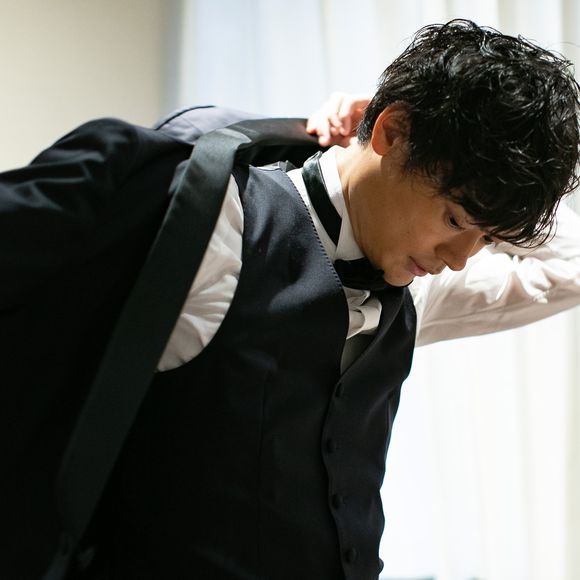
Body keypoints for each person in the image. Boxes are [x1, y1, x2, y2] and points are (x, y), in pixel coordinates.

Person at [2, 19, 580, 580]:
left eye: (488, 239)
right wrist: (346, 127)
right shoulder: (216, 222)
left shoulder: (415, 285)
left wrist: (508, 195)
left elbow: (570, 268)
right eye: (454, 219)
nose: (458, 259)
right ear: (392, 134)